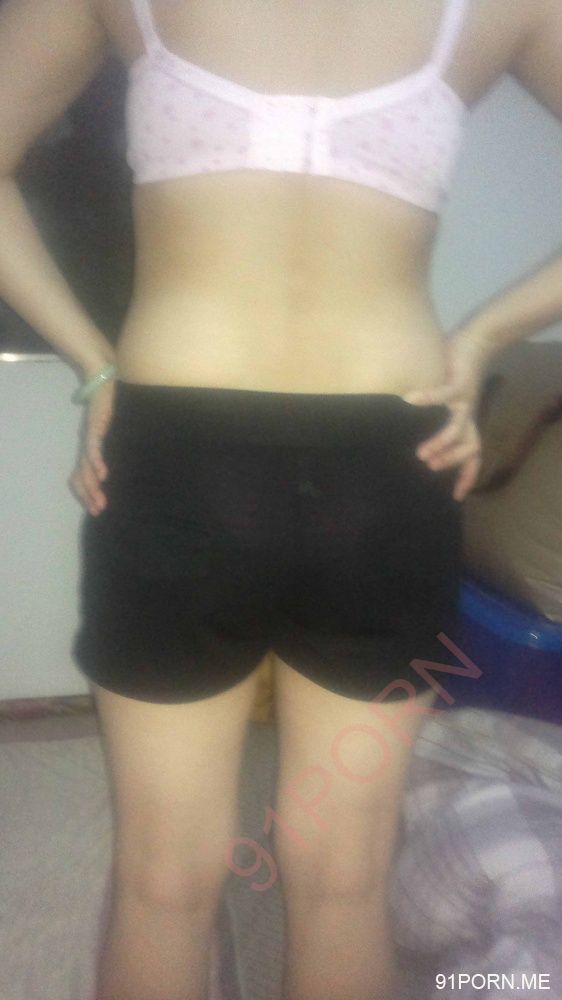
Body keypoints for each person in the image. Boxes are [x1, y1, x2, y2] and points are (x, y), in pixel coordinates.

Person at [0, 1, 561, 998]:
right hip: (388, 461)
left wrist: (95, 363)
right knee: (344, 880)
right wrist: (480, 336)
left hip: (184, 456)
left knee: (162, 880)